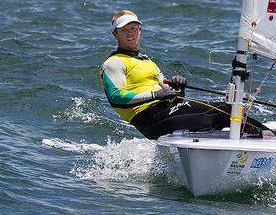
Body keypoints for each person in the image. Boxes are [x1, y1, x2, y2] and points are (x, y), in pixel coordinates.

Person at [100, 10, 266, 140]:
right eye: (124, 30)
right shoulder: (114, 63)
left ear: (140, 29)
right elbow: (116, 97)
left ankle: (259, 136)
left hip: (166, 111)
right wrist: (155, 94)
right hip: (149, 119)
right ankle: (268, 136)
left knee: (226, 110)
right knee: (222, 110)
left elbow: (173, 96)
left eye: (133, 28)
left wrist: (178, 88)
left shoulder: (147, 61)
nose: (130, 33)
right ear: (115, 34)